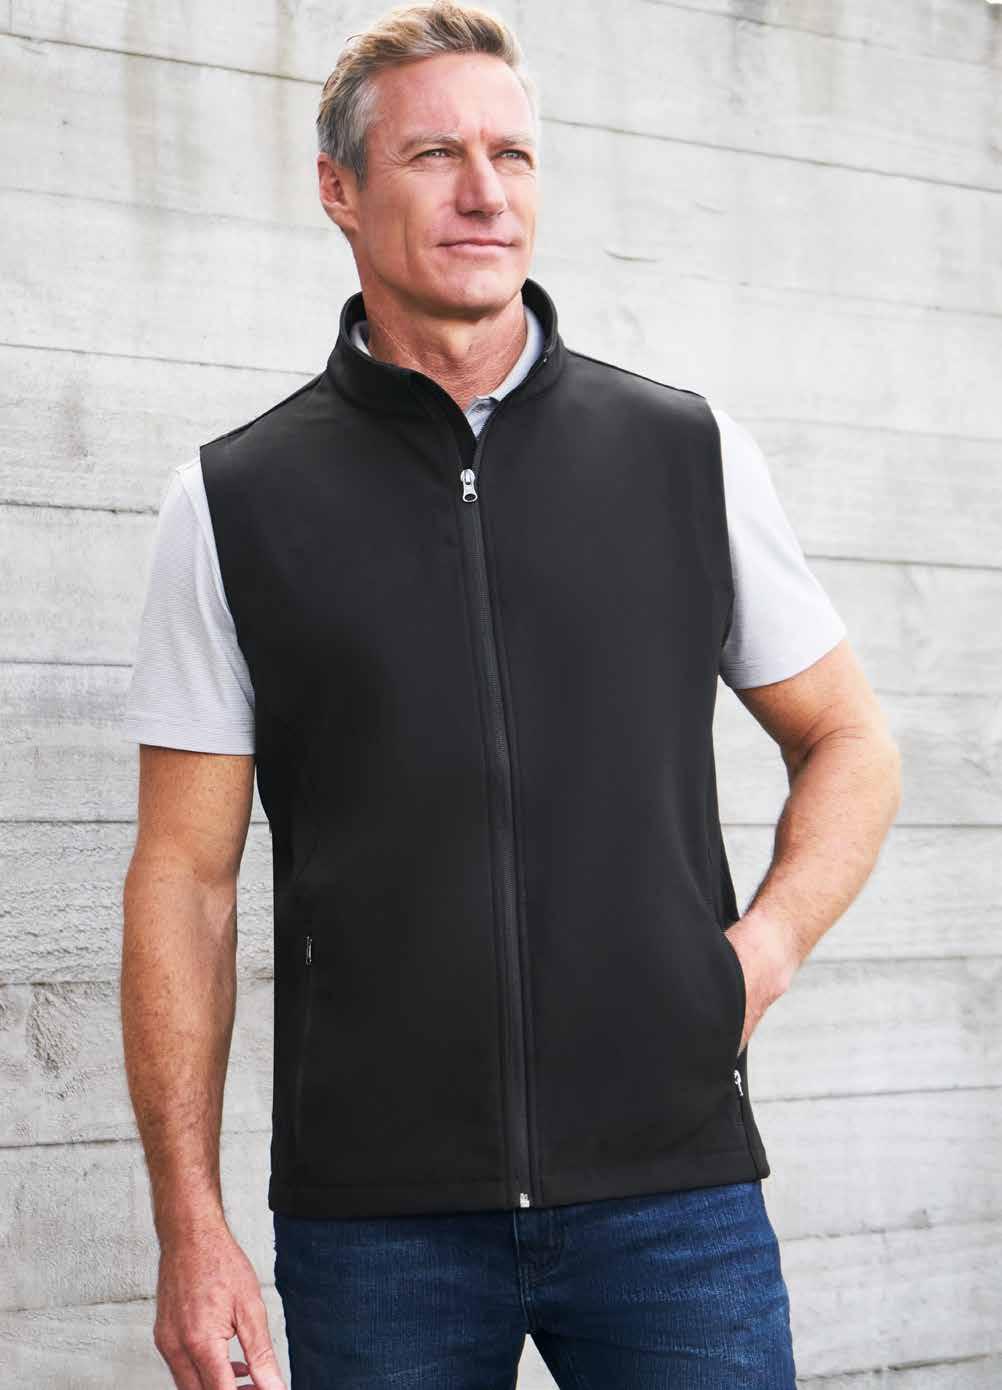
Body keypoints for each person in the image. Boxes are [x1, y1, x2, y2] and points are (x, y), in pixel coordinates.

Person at [120, 3, 902, 1386]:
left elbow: (849, 739)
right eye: (436, 155)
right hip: (378, 1225)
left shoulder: (686, 454)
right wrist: (190, 1225)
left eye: (513, 155)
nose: (485, 192)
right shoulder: (234, 501)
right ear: (339, 190)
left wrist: (759, 954)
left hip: (672, 1198)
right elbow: (185, 879)